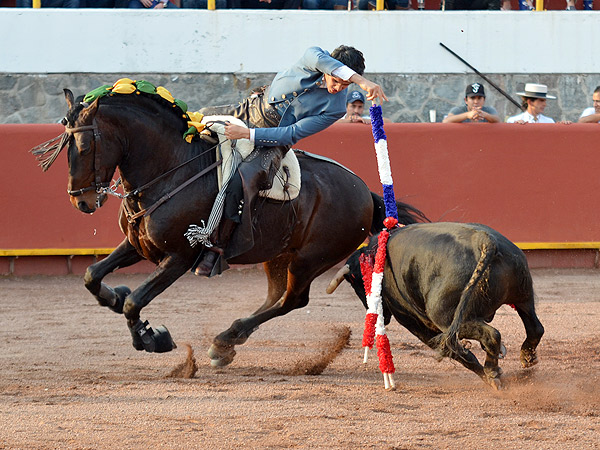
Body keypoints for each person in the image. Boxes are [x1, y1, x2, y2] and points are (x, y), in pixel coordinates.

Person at [193, 45, 387, 276]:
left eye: (345, 86)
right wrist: (363, 82)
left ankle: (217, 247)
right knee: (194, 120)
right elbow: (322, 60)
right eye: (337, 80)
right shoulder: (312, 57)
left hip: (274, 140)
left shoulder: (335, 108)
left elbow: (292, 133)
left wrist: (248, 135)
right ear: (329, 68)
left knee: (246, 178)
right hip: (247, 111)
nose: (338, 89)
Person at [507, 83, 571, 124]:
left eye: (544, 101)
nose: (545, 104)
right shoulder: (513, 121)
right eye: (541, 101)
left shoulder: (549, 122)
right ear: (530, 102)